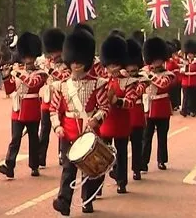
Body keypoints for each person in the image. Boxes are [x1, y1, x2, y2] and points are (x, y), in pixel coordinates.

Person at [50, 29, 110, 216]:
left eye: (79, 61)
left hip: (89, 132)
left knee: (89, 170)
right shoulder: (61, 85)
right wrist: (57, 126)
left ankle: (88, 200)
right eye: (73, 61)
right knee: (68, 170)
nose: (75, 65)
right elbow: (54, 109)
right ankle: (64, 202)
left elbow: (104, 108)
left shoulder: (98, 83)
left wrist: (95, 120)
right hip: (68, 132)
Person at [0, 32, 45, 179]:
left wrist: (17, 73)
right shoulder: (18, 71)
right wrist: (6, 76)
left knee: (33, 139)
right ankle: (9, 166)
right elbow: (10, 90)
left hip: (32, 109)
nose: (28, 60)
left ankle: (34, 166)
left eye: (30, 57)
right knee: (15, 139)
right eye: (26, 57)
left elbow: (33, 83)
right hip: (17, 109)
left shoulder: (41, 73)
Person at [98, 33, 137, 194]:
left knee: (121, 154)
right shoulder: (101, 80)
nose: (112, 68)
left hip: (121, 121)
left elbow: (131, 101)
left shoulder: (128, 81)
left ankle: (122, 181)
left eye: (115, 65)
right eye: (110, 65)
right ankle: (97, 186)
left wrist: (117, 101)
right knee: (101, 156)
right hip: (105, 121)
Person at [141, 37, 175, 172]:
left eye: (159, 60)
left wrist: (148, 75)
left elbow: (163, 84)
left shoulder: (168, 74)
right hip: (148, 108)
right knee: (146, 137)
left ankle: (161, 160)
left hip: (162, 108)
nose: (157, 62)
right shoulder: (144, 71)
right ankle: (143, 162)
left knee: (162, 136)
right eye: (154, 60)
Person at [38, 28, 66, 168]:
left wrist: (49, 70)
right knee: (44, 130)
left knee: (62, 129)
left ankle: (62, 154)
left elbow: (64, 77)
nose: (54, 55)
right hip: (47, 100)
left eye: (57, 51)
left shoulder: (66, 65)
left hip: (61, 100)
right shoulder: (45, 63)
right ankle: (40, 157)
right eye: (53, 52)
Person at [125, 38, 146, 181]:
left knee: (137, 144)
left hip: (137, 112)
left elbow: (137, 92)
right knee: (121, 146)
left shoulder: (143, 78)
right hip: (124, 114)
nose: (132, 70)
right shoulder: (121, 78)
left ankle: (136, 169)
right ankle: (118, 170)